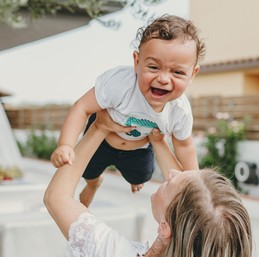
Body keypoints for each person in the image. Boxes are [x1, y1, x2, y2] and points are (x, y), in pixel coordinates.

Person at [44, 110, 252, 257]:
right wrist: (159, 141)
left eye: (169, 182)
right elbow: (192, 199)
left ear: (165, 228)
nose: (171, 172)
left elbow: (57, 198)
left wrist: (99, 127)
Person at [50, 14, 206, 206]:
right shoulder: (119, 84)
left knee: (141, 175)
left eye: (177, 72)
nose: (164, 79)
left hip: (138, 149)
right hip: (103, 141)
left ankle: (134, 181)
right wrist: (65, 144)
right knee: (87, 171)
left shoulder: (179, 111)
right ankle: (93, 184)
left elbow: (184, 146)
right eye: (153, 67)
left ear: (192, 74)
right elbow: (81, 107)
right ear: (137, 62)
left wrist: (195, 184)